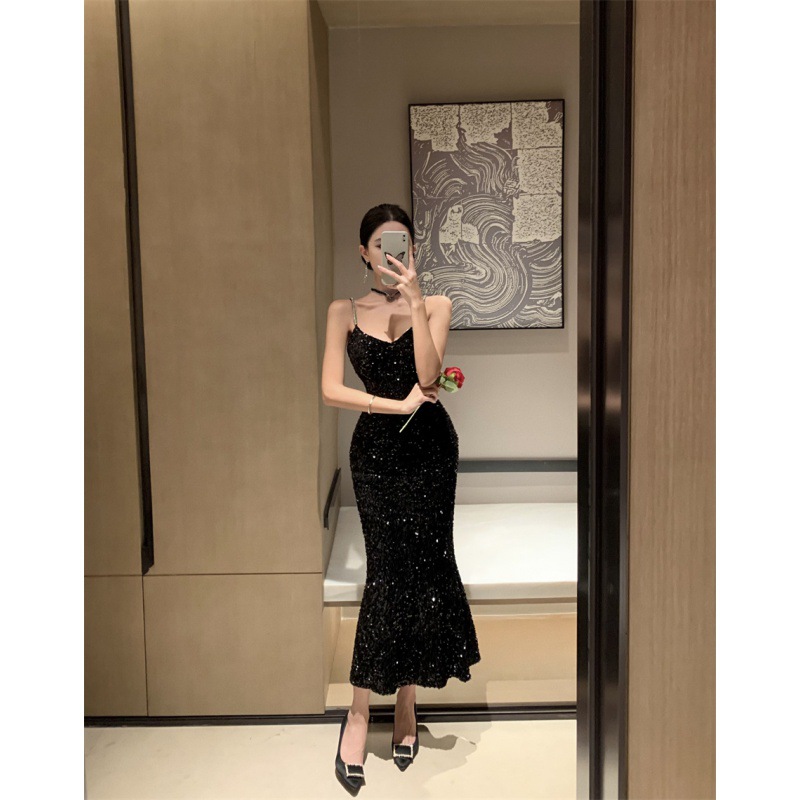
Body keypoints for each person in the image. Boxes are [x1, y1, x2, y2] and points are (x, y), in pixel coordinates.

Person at [321, 203, 481, 792]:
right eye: (383, 244)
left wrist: (414, 300)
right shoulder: (343, 310)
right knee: (386, 573)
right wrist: (392, 406)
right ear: (364, 252)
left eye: (405, 244)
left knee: (423, 568)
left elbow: (430, 378)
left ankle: (407, 701)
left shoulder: (435, 304)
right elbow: (329, 389)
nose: (394, 253)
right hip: (376, 454)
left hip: (429, 453)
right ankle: (360, 711)